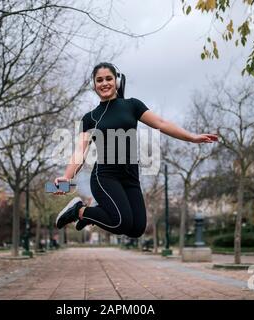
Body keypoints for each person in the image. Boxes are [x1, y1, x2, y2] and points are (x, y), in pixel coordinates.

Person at [53, 62, 218, 238]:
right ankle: (80, 211)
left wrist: (191, 137)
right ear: (94, 85)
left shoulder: (132, 106)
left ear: (116, 81)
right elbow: (80, 151)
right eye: (99, 80)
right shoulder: (90, 118)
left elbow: (161, 123)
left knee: (136, 228)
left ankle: (90, 213)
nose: (104, 83)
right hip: (105, 175)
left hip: (130, 175)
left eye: (108, 78)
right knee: (120, 222)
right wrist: (67, 177)